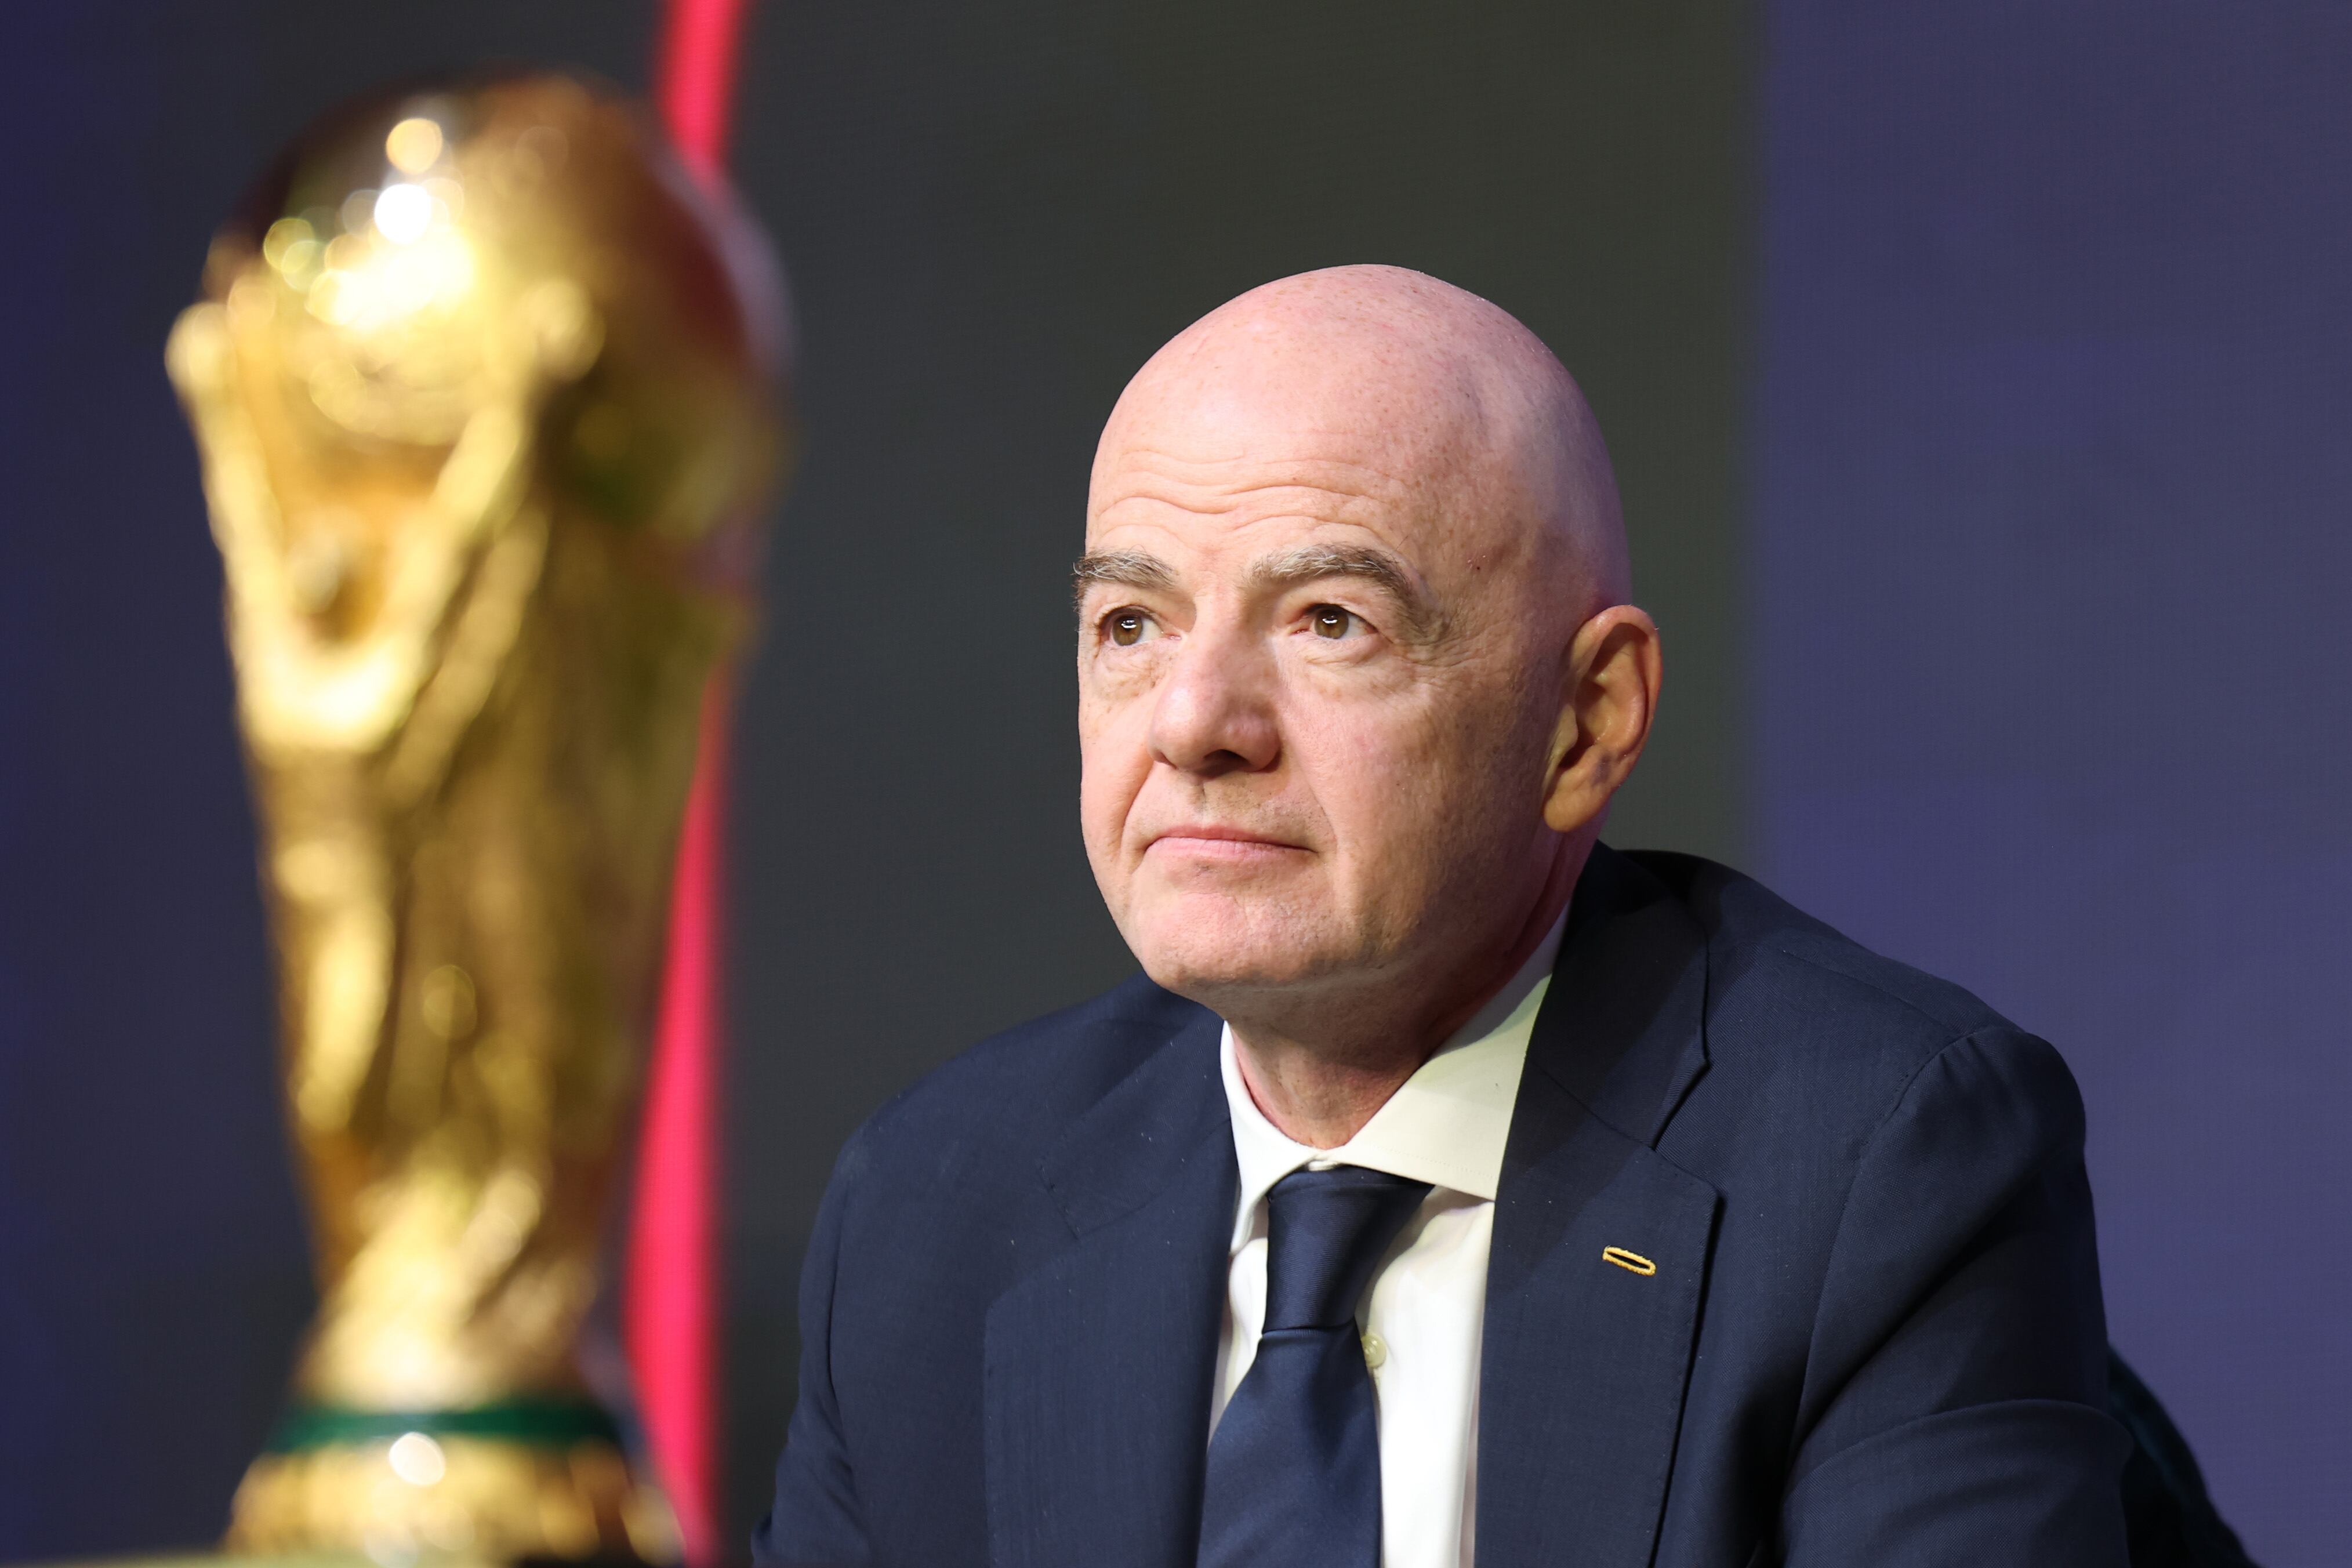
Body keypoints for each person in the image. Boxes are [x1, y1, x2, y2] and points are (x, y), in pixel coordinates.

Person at [754, 266, 2128, 1567]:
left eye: (1330, 620)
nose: (1191, 722)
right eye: (1131, 624)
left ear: (1588, 721)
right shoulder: (932, 1207)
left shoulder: (1873, 1164)